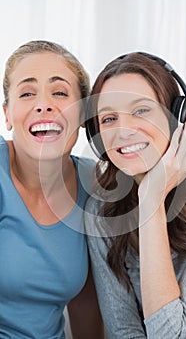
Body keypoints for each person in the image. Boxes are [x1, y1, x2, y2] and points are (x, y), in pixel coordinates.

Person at [84, 52, 186, 338]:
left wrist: (152, 198)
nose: (123, 131)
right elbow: (125, 333)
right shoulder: (102, 212)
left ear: (177, 117)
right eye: (109, 118)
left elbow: (172, 334)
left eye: (141, 110)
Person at [0, 40, 104, 339]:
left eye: (59, 93)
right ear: (7, 114)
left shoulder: (94, 184)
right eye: (27, 93)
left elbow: (86, 304)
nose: (43, 104)